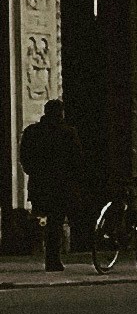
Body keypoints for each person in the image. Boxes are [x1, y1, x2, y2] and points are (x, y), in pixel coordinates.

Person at [17, 93, 85, 272]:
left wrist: (34, 172)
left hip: (40, 184)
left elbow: (24, 157)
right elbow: (77, 159)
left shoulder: (32, 131)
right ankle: (53, 258)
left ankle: (46, 254)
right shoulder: (67, 132)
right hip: (61, 185)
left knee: (45, 219)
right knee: (56, 220)